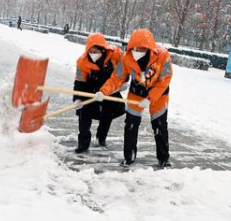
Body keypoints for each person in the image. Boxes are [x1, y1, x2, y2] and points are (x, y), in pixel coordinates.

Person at [96, 29, 173, 168]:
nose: (137, 51)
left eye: (141, 49)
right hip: (136, 93)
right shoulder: (126, 58)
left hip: (159, 94)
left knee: (159, 125)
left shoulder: (163, 56)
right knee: (131, 124)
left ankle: (163, 158)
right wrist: (103, 91)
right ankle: (129, 157)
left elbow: (165, 80)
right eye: (135, 48)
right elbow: (117, 78)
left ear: (149, 48)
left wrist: (151, 98)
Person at [73, 33, 126, 153]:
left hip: (110, 89)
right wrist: (78, 98)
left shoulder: (115, 54)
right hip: (90, 89)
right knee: (84, 114)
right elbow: (79, 81)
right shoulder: (82, 62)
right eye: (91, 51)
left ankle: (101, 138)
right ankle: (83, 143)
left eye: (96, 50)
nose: (93, 53)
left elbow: (125, 69)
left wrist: (123, 82)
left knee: (107, 114)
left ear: (103, 49)